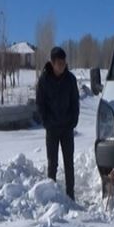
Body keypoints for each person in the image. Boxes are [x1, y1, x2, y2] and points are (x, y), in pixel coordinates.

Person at [37, 46, 80, 200]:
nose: (62, 66)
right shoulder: (44, 80)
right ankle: (52, 196)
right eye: (59, 63)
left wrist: (73, 121)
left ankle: (70, 195)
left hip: (67, 128)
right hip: (52, 129)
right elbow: (40, 104)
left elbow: (75, 102)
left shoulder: (70, 79)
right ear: (52, 63)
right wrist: (46, 122)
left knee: (69, 163)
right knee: (52, 164)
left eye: (64, 63)